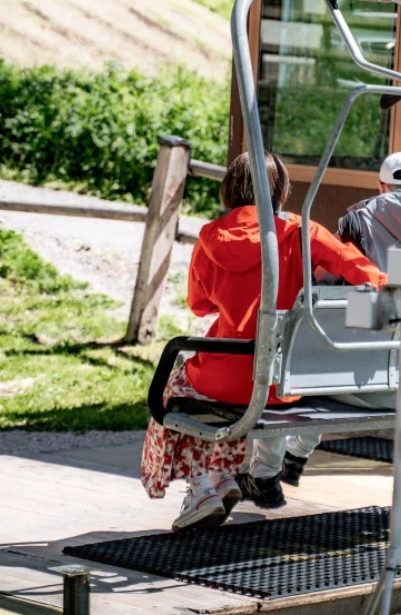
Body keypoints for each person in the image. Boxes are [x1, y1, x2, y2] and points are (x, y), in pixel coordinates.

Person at [140, 151, 386, 531]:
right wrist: (392, 285)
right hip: (281, 381)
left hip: (226, 372)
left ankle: (201, 485)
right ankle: (222, 476)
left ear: (229, 190)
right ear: (281, 191)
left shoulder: (209, 237)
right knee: (224, 398)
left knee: (177, 388)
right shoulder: (299, 232)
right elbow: (354, 265)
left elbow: (199, 305)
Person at [270, 150, 401, 487]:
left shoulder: (357, 222)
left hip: (357, 381)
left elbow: (324, 288)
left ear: (380, 186)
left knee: (320, 351)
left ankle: (288, 457)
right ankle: (294, 455)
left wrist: (383, 307)